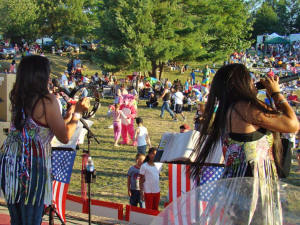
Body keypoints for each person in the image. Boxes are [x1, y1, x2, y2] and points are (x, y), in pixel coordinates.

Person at [191, 63, 299, 224]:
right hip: (254, 184)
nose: (253, 81)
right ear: (241, 83)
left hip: (238, 184)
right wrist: (276, 92)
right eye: (250, 78)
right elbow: (292, 125)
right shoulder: (245, 107)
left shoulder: (228, 108)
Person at [0, 55, 89, 225]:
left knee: (17, 220)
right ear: (41, 76)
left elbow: (41, 130)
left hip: (10, 164)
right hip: (31, 167)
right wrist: (78, 113)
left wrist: (68, 117)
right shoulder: (48, 100)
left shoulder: (18, 97)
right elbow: (64, 137)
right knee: (32, 219)